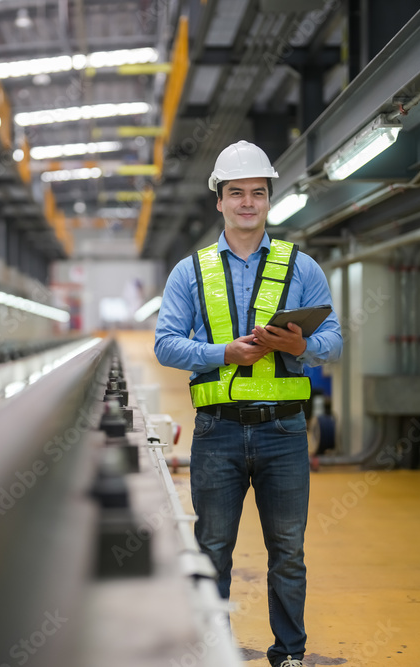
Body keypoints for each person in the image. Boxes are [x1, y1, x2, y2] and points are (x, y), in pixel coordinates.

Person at [154, 140, 343, 667]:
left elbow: (334, 339)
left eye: (257, 193)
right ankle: (214, 652)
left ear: (268, 200)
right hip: (216, 433)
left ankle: (289, 655)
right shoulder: (189, 272)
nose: (246, 203)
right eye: (235, 193)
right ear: (218, 199)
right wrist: (223, 352)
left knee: (288, 554)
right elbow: (166, 343)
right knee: (212, 551)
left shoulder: (300, 266)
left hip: (283, 432)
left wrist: (301, 345)